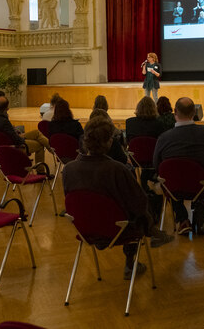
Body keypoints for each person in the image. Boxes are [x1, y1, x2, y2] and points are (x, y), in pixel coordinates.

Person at [63, 116, 173, 280]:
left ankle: (152, 232)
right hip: (118, 230)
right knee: (136, 213)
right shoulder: (117, 169)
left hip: (85, 227)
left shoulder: (69, 169)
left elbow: (72, 200)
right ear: (109, 142)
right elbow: (138, 204)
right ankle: (133, 259)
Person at [153, 97, 204, 235]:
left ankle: (182, 219)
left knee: (171, 179)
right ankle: (203, 216)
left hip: (175, 188)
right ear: (194, 112)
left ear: (175, 112)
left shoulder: (164, 138)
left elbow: (157, 165)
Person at [0, 97, 49, 164]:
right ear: (7, 108)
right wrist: (22, 138)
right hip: (13, 147)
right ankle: (42, 168)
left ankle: (52, 148)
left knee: (36, 132)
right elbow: (16, 139)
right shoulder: (4, 121)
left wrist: (16, 132)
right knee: (39, 145)